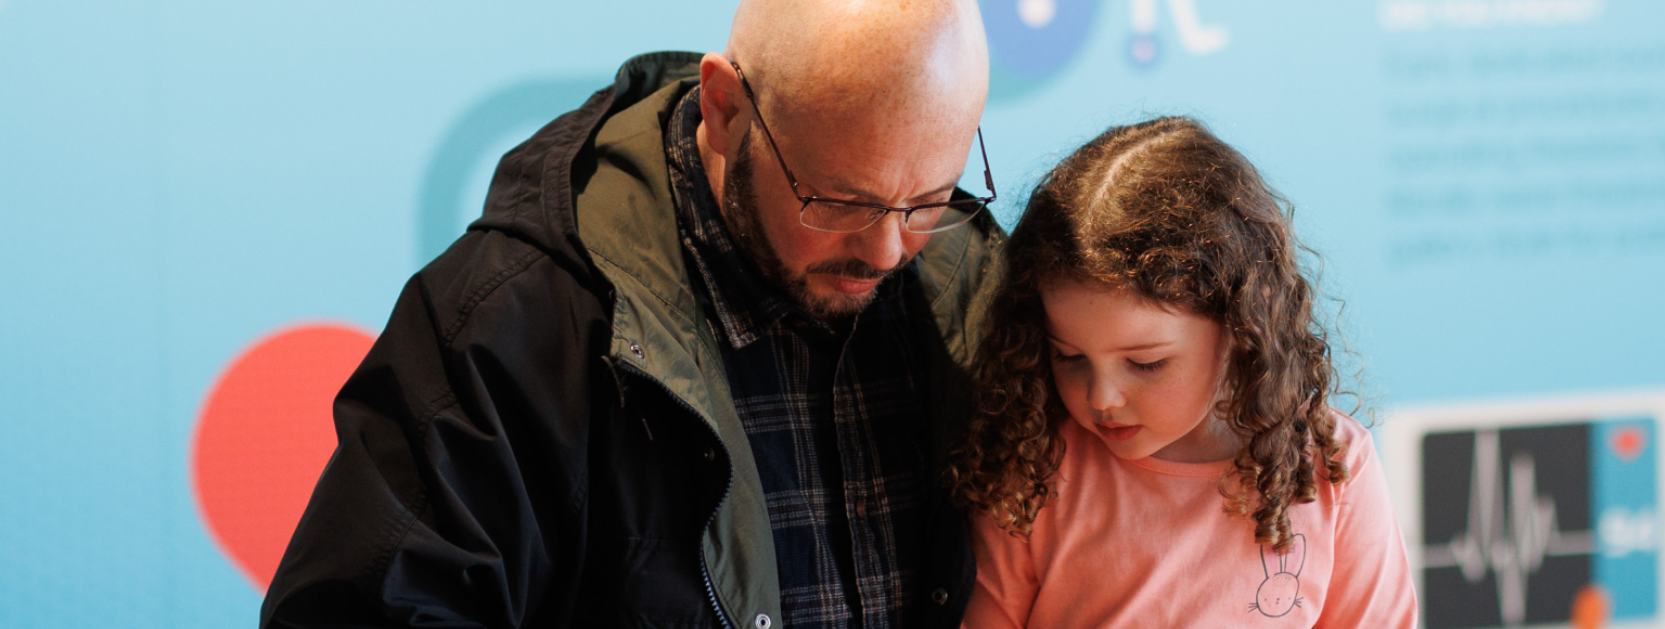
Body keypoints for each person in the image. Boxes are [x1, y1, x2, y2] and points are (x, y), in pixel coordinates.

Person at [260, 1, 1001, 627]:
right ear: (725, 109)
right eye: (838, 201)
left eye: (929, 199)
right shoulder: (508, 325)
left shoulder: (978, 290)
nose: (885, 249)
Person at [946, 117, 1417, 628]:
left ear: (1242, 322)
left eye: (1146, 363)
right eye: (1069, 356)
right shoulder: (1032, 466)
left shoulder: (1330, 468)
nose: (1102, 397)